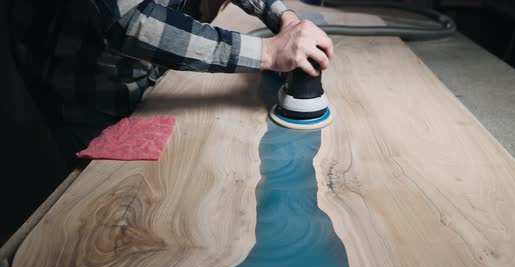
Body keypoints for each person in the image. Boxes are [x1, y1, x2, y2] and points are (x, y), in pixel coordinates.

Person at [9, 0, 334, 165]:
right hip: (79, 80)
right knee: (101, 185)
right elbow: (130, 21)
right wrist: (266, 52)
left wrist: (285, 19)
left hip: (142, 65)